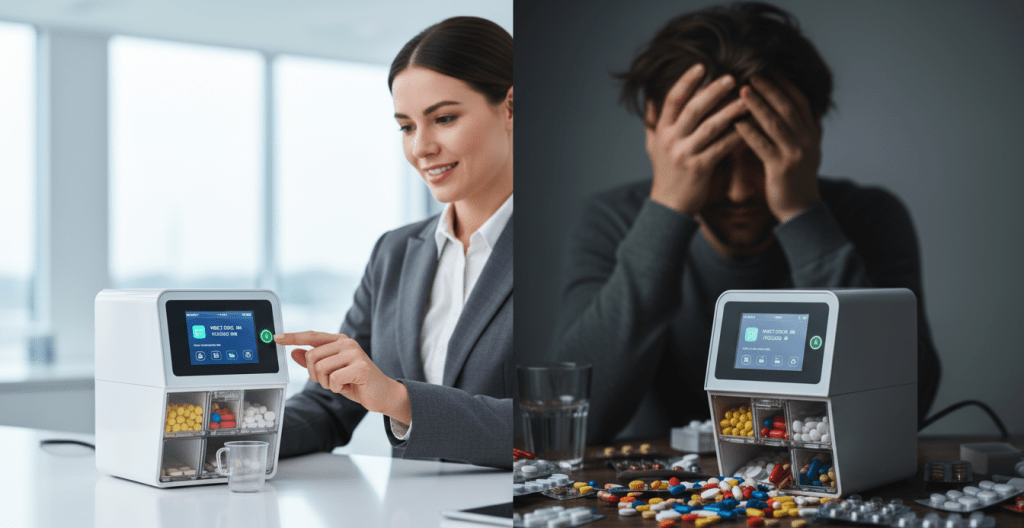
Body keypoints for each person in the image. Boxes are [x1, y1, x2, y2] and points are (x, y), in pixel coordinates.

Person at [553, 2, 940, 444]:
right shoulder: (614, 221)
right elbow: (572, 419)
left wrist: (804, 216)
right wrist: (666, 210)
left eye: (760, 153)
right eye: (714, 158)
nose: (739, 192)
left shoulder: (868, 218)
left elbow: (905, 409)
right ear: (656, 133)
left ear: (811, 134)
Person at [275, 16, 513, 469]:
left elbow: (560, 425)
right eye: (406, 126)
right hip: (410, 524)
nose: (421, 147)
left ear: (510, 107)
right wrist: (227, 437)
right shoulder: (396, 253)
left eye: (444, 119)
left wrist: (400, 400)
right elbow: (329, 407)